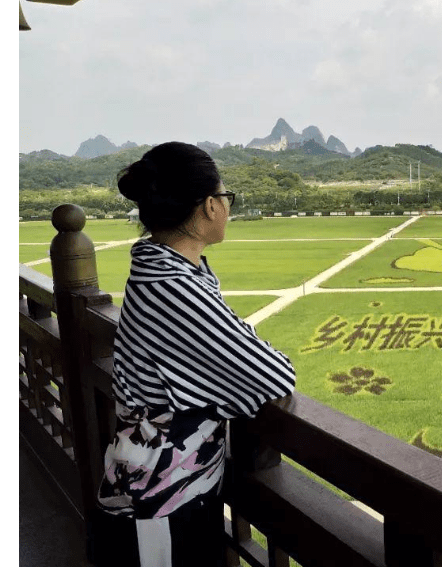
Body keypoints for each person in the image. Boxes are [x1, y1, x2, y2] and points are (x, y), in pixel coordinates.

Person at [86, 142, 297, 567]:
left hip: (166, 483)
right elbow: (271, 375)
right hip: (160, 497)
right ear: (207, 207)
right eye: (225, 197)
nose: (227, 207)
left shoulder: (166, 269)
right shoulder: (173, 288)